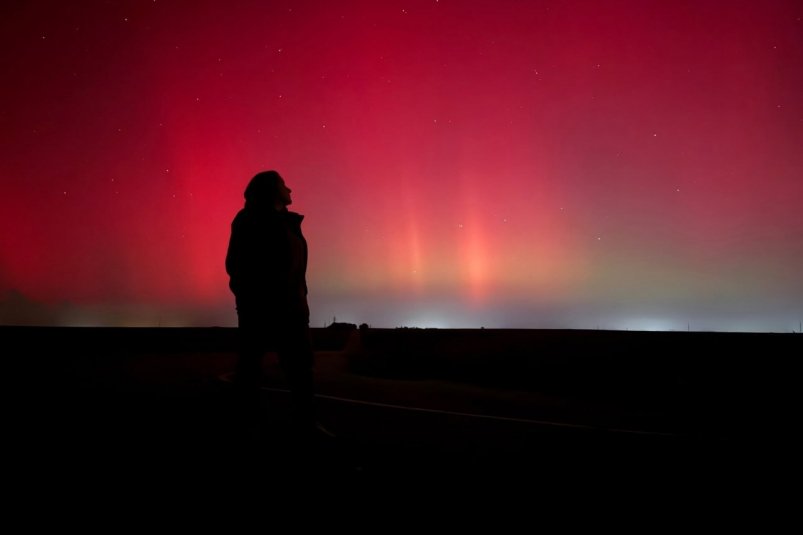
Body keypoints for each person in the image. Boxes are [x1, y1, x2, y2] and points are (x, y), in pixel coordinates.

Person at [225, 170, 330, 440]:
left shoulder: (285, 223)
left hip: (293, 309)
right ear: (271, 189)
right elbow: (237, 266)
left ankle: (304, 424)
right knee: (251, 369)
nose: (290, 190)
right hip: (261, 309)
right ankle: (247, 425)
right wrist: (250, 300)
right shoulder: (248, 220)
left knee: (301, 369)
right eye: (284, 185)